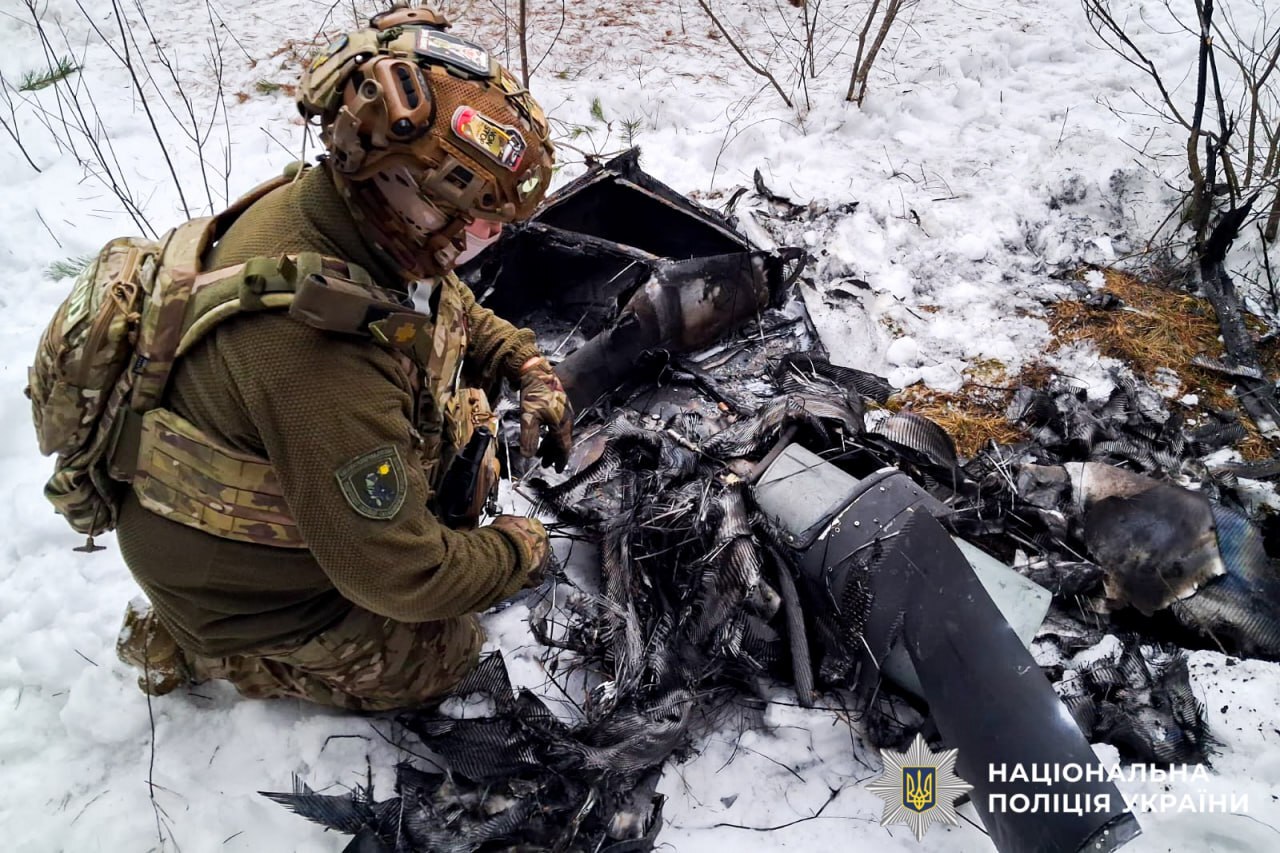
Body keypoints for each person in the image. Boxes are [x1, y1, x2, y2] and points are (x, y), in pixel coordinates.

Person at [112, 5, 572, 711]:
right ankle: (209, 647)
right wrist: (522, 548)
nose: (490, 233)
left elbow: (444, 305)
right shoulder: (318, 356)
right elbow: (402, 578)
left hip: (303, 489)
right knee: (442, 650)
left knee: (457, 444)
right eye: (479, 215)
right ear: (405, 190)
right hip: (247, 593)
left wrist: (524, 365)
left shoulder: (350, 215)